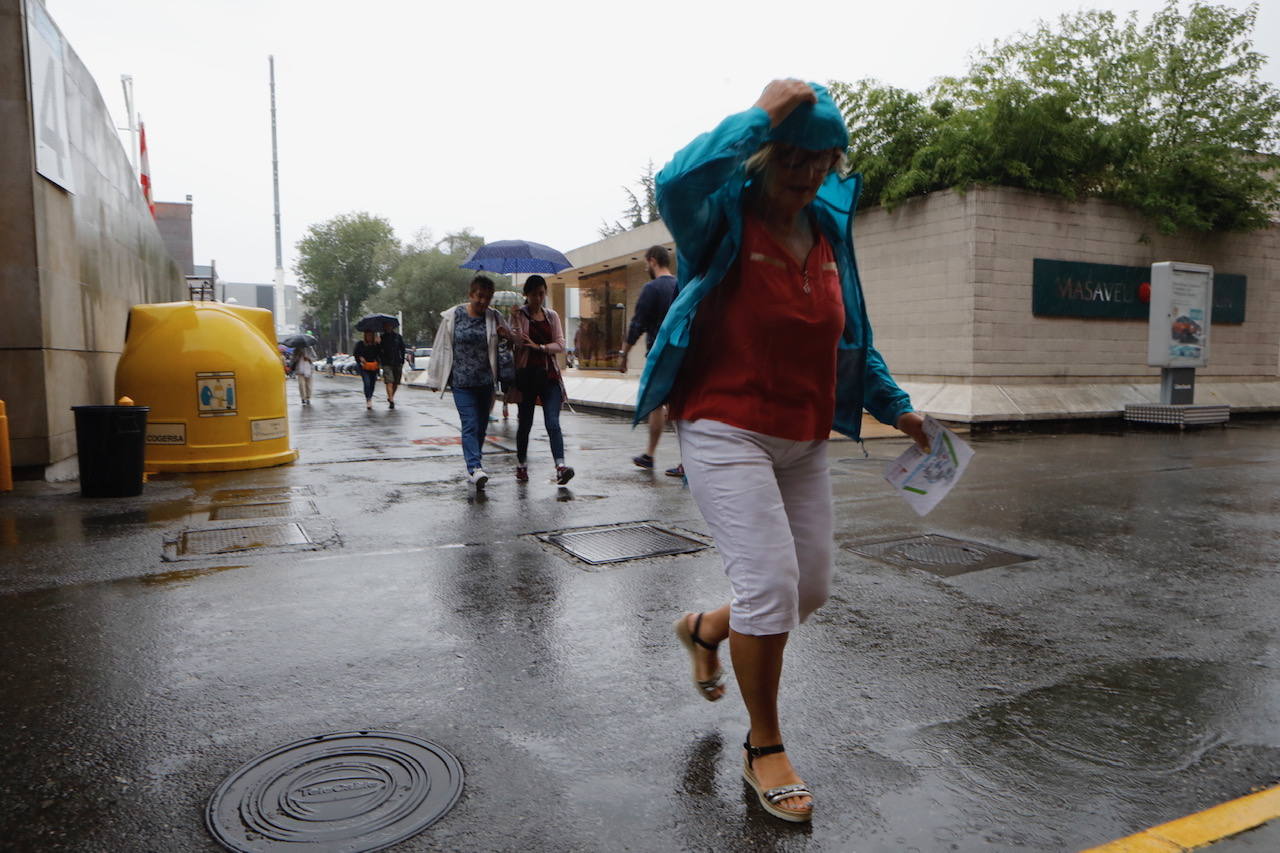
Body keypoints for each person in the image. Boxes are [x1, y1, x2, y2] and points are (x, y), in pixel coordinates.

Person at [637, 79, 928, 823]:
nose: (804, 174)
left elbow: (849, 335)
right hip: (724, 425)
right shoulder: (722, 219)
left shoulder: (828, 234)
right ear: (766, 153)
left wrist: (896, 405)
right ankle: (764, 742)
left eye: (820, 160)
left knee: (807, 591)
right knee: (768, 583)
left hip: (802, 438)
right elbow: (674, 181)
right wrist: (761, 112)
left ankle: (705, 627)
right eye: (791, 156)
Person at [425, 275, 514, 489]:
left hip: (486, 382)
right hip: (461, 383)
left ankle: (476, 464)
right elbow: (441, 347)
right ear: (471, 294)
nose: (483, 302)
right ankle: (474, 467)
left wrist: (507, 336)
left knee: (481, 427)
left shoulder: (495, 317)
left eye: (488, 298)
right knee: (470, 424)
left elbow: (511, 343)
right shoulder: (453, 316)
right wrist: (435, 378)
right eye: (480, 297)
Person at [508, 275, 574, 485]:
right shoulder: (519, 315)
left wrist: (541, 348)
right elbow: (515, 342)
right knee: (525, 423)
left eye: (541, 293)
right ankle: (521, 464)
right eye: (534, 294)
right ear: (526, 294)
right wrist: (516, 322)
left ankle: (561, 466)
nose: (538, 298)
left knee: (553, 422)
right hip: (527, 375)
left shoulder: (551, 316)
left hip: (549, 376)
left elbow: (561, 344)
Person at [622, 246, 681, 476]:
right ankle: (685, 460)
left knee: (656, 404)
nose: (646, 267)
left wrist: (624, 354)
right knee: (678, 406)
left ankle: (650, 455)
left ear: (653, 261)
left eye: (646, 264)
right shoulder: (681, 285)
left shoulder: (652, 288)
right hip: (682, 353)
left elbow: (637, 324)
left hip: (659, 354)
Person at [380, 320, 407, 409]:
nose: (388, 327)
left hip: (397, 362)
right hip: (386, 363)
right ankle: (391, 399)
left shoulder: (398, 337)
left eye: (389, 325)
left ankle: (391, 396)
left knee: (396, 382)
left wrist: (402, 360)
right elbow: (379, 351)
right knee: (389, 381)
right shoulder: (382, 338)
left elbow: (402, 349)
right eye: (386, 325)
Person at [353, 330, 382, 411]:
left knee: (372, 383)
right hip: (363, 367)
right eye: (368, 335)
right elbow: (356, 354)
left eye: (371, 335)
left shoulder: (376, 345)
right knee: (367, 382)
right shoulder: (360, 344)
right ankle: (368, 399)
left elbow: (380, 354)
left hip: (373, 366)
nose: (369, 337)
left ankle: (370, 396)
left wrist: (379, 344)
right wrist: (360, 359)